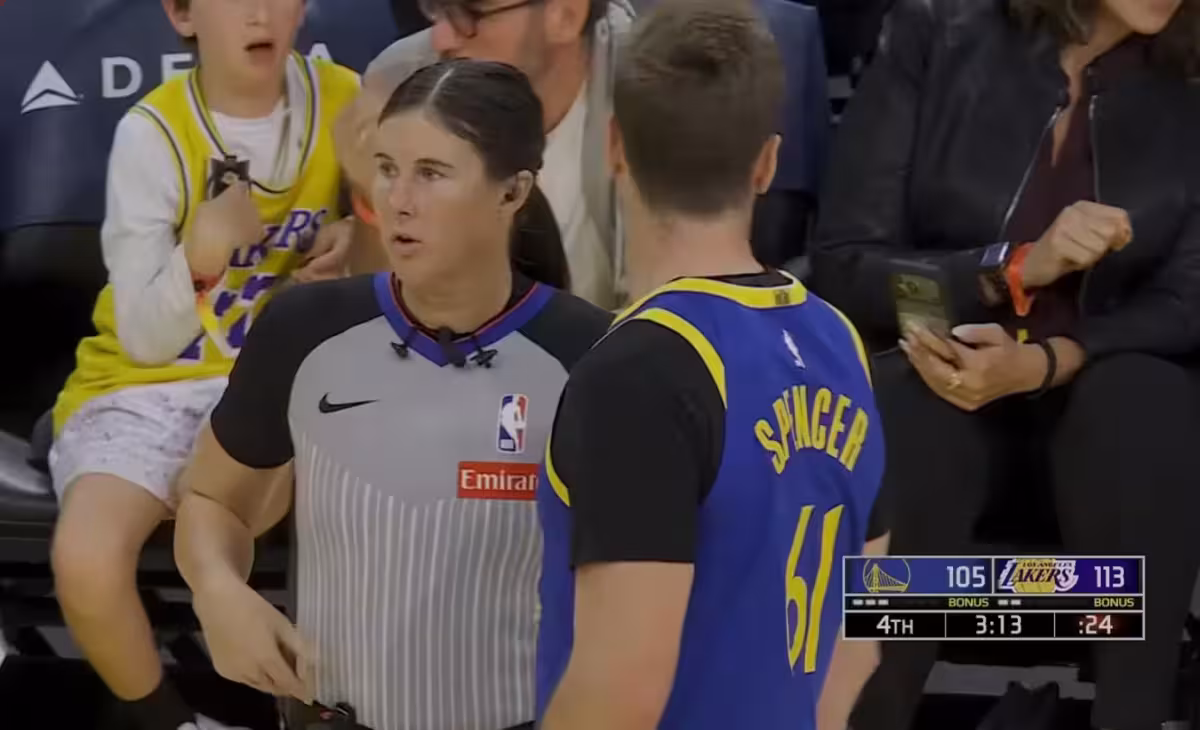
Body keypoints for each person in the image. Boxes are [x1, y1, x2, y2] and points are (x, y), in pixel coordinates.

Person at [173, 59, 612, 730]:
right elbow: (211, 500)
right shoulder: (304, 329)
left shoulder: (595, 357)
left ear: (512, 191)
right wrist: (217, 590)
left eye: (432, 173)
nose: (398, 200)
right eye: (386, 168)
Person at [810, 0, 1200, 728]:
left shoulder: (1190, 84)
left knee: (1142, 399)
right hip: (942, 383)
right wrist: (1010, 271)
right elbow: (848, 265)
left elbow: (1188, 301)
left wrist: (1052, 359)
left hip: (1106, 411)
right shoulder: (936, 33)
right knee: (916, 408)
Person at [533, 2, 888, 729]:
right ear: (767, 163)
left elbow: (621, 689)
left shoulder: (638, 372)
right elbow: (859, 639)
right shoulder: (842, 341)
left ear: (615, 146)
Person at [46, 0, 360, 728]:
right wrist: (201, 259)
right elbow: (144, 337)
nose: (259, 14)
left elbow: (400, 242)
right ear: (183, 15)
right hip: (142, 385)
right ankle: (169, 720)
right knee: (86, 559)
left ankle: (303, 701)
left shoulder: (348, 100)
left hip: (275, 390)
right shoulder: (152, 134)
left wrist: (357, 232)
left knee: (225, 511)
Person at [336, 0, 635, 309]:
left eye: (469, 14)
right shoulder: (400, 76)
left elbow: (657, 312)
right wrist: (370, 198)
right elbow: (378, 313)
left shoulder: (648, 95)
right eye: (437, 7)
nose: (440, 38)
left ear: (565, 15)